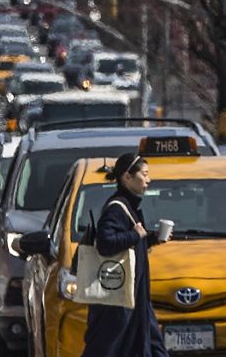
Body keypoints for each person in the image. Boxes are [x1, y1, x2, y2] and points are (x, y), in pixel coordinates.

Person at [81, 152, 171, 357]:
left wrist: (152, 239)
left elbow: (130, 245)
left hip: (135, 296)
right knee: (110, 347)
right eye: (144, 174)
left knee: (150, 344)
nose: (148, 179)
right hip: (119, 299)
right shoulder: (117, 208)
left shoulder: (129, 206)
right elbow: (105, 244)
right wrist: (134, 234)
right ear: (126, 177)